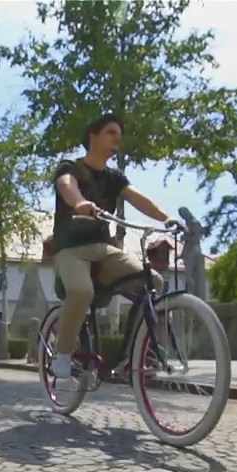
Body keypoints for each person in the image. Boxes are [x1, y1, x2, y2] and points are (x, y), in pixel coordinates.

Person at [49, 113, 182, 389]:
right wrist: (79, 203)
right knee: (82, 291)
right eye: (111, 133)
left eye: (119, 137)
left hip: (104, 249)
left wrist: (165, 218)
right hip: (71, 249)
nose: (117, 140)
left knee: (153, 282)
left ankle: (133, 356)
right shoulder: (70, 167)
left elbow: (137, 198)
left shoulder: (114, 178)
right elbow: (65, 185)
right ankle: (62, 355)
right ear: (93, 136)